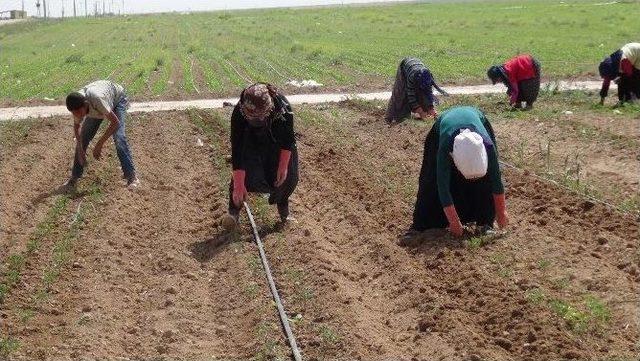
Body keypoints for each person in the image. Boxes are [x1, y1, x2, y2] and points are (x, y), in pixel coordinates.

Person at [411, 106, 508, 236]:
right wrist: (454, 221)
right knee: (430, 180)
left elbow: (496, 180)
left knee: (485, 182)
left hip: (478, 119)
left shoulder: (487, 146)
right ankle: (424, 225)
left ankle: (484, 223)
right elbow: (442, 185)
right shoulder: (445, 147)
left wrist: (501, 213)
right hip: (443, 127)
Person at [222, 83, 299, 230]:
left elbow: (288, 140)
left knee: (287, 177)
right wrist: (239, 183)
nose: (257, 121)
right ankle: (233, 214)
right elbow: (237, 149)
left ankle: (285, 215)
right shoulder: (239, 113)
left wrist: (283, 166)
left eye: (260, 117)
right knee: (242, 177)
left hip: (276, 141)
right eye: (253, 118)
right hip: (251, 141)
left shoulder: (282, 108)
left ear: (269, 109)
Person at [64, 80, 139, 190]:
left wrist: (99, 145)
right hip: (99, 104)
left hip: (117, 99)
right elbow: (77, 127)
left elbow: (115, 122)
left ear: (85, 105)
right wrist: (80, 150)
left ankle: (132, 177)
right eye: (75, 113)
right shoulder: (76, 104)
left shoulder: (97, 100)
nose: (78, 116)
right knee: (84, 137)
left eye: (79, 113)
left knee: (119, 138)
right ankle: (74, 177)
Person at [385, 57, 448, 123]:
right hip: (404, 67)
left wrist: (431, 109)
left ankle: (425, 111)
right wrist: (421, 112)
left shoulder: (428, 76)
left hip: (417, 68)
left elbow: (429, 94)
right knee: (401, 94)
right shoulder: (412, 77)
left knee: (423, 95)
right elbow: (411, 96)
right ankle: (390, 117)